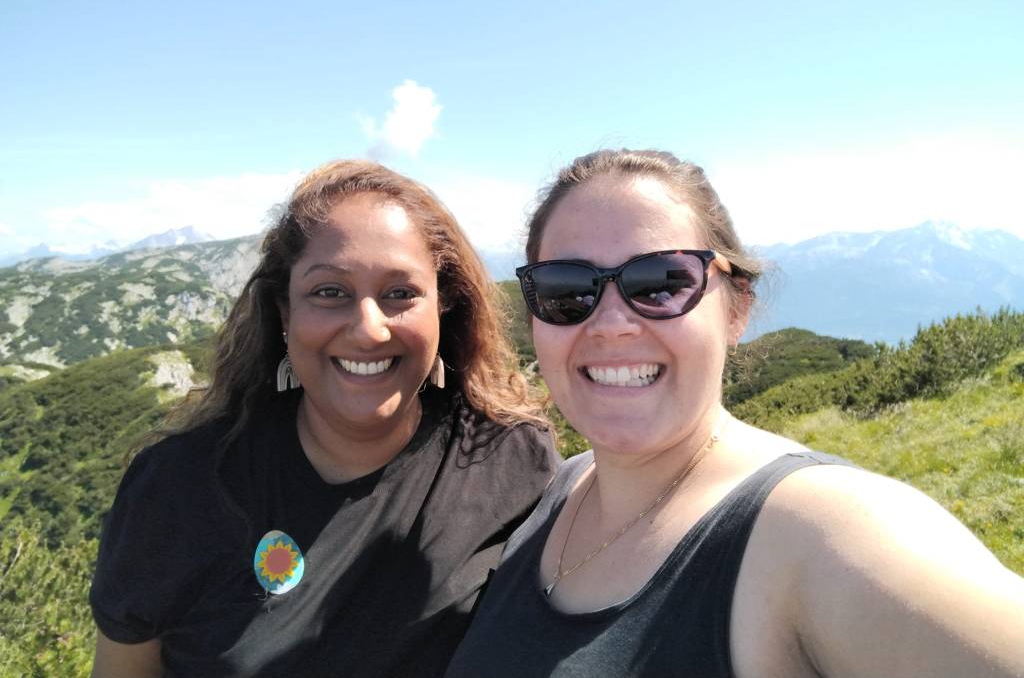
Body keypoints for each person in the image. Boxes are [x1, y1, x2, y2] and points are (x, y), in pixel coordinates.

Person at [447, 149, 1024, 677]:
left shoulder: (821, 529)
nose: (612, 323)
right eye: (565, 290)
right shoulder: (558, 492)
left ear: (737, 308)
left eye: (661, 283)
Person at [90, 160, 559, 678]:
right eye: (330, 292)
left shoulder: (513, 462)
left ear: (444, 305)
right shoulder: (178, 486)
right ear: (285, 313)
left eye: (400, 293)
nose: (369, 329)